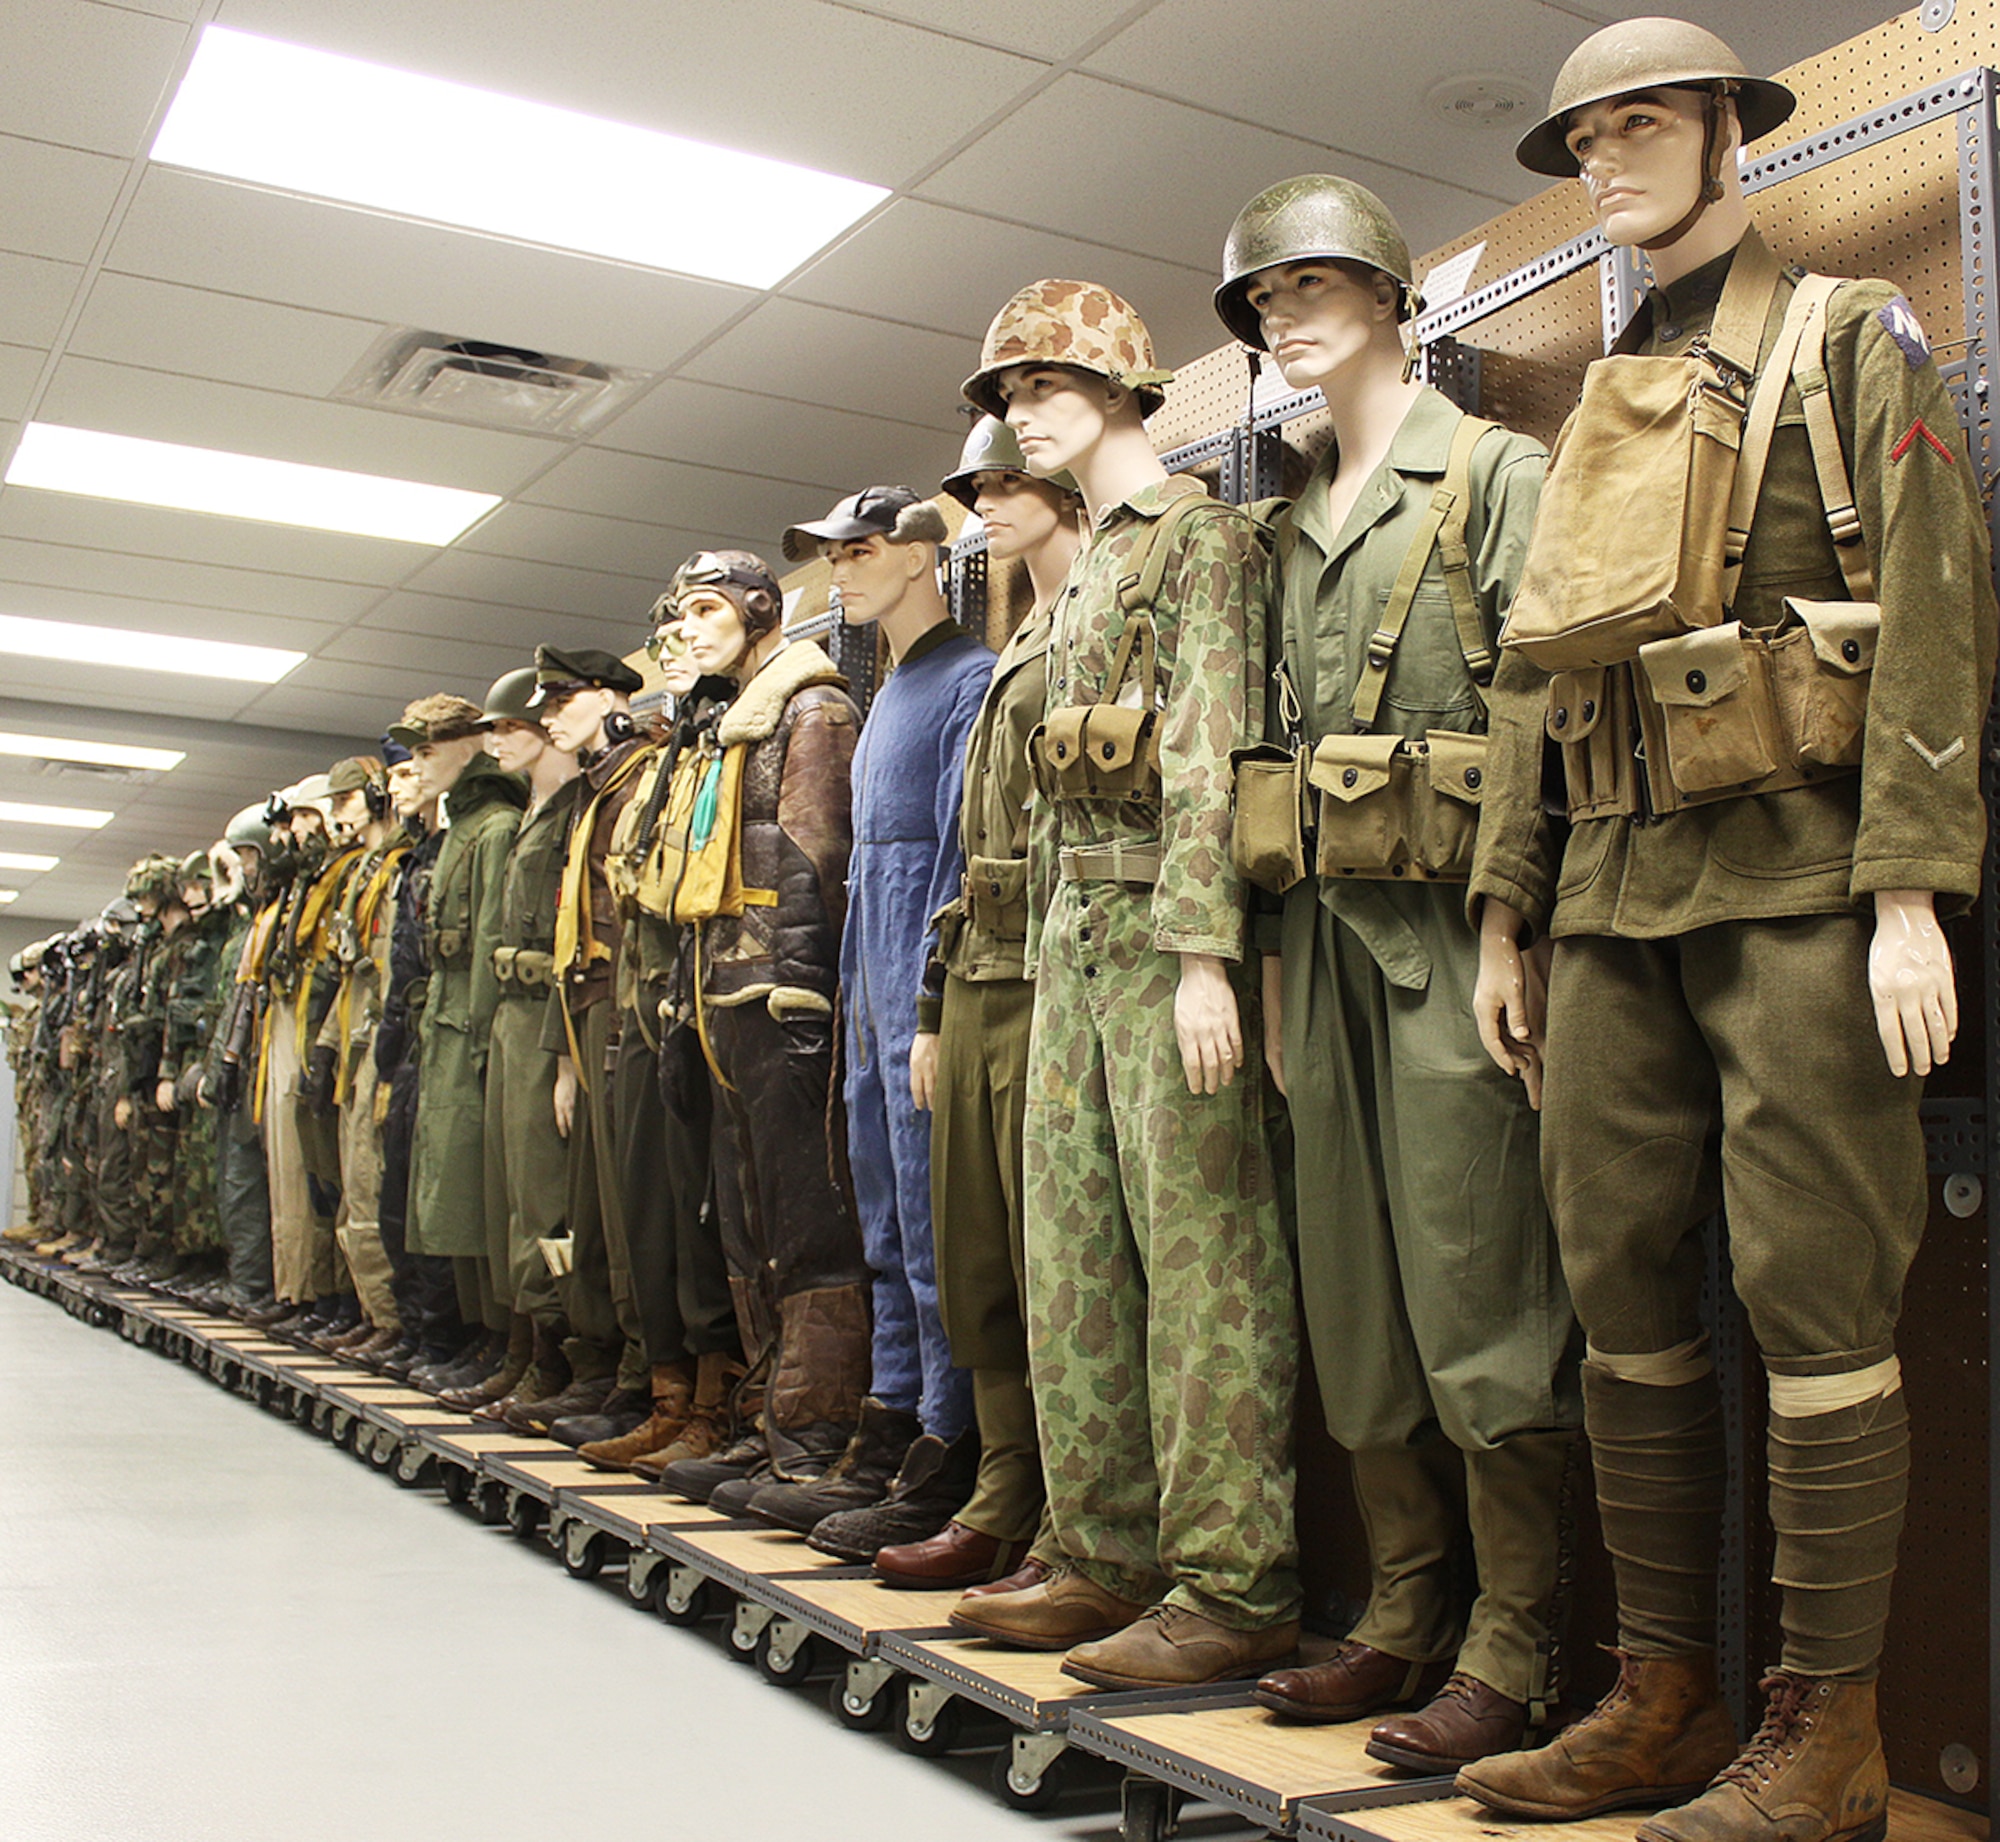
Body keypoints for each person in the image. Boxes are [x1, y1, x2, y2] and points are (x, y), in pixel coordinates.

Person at [1456, 23, 2000, 1842]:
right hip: (1610, 891)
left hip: (1792, 877)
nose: (1606, 159)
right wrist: (1507, 905)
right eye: (1585, 135)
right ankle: (1665, 1690)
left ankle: (1829, 1730)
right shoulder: (1603, 383)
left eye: (1643, 125)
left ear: (1726, 139)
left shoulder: (1850, 332)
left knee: (1818, 1293)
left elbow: (1934, 609)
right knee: (1616, 1284)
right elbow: (1546, 666)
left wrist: (1913, 887)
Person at [1212, 175, 1580, 1773]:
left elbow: (1541, 714)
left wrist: (1510, 928)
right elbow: (1266, 760)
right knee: (1355, 1300)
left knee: (1483, 1298)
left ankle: (1517, 1641)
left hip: (1449, 944)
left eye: (1316, 285)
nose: (1287, 316)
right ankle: (1405, 1612)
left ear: (1389, 294)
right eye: (1265, 299)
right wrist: (1276, 968)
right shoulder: (1283, 526)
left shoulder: (1491, 472)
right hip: (1324, 953)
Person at [946, 279, 1301, 1690]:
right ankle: (1103, 1546)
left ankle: (1234, 1578)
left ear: (1118, 386)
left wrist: (1212, 954)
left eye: (1039, 387)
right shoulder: (1086, 563)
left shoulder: (1200, 538)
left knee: (1204, 1256)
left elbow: (1212, 747)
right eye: (1006, 394)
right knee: (1075, 1255)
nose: (1016, 412)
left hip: (1165, 933)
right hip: (1073, 945)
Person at [736, 491, 992, 1547]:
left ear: (929, 554)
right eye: (830, 555)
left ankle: (946, 1443)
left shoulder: (966, 679)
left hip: (917, 994)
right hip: (863, 989)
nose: (839, 571)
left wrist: (929, 1005)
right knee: (880, 1223)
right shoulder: (884, 691)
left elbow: (953, 863)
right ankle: (884, 1426)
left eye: (863, 550)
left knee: (931, 1228)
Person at [872, 417, 1083, 1591]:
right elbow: (966, 851)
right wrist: (934, 1007)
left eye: (1009, 482)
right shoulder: (1014, 643)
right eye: (976, 488)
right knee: (977, 1259)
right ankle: (1006, 1489)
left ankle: (1066, 1513)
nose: (986, 505)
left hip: (1071, 965)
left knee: (1064, 1264)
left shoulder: (1097, 612)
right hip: (988, 965)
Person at [639, 553, 873, 1509]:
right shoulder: (722, 729)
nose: (689, 631)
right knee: (745, 1226)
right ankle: (763, 1415)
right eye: (680, 615)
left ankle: (815, 1435)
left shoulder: (810, 710)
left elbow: (818, 858)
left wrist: (806, 995)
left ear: (759, 609)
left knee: (806, 1227)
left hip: (778, 1000)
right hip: (720, 995)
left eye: (705, 610)